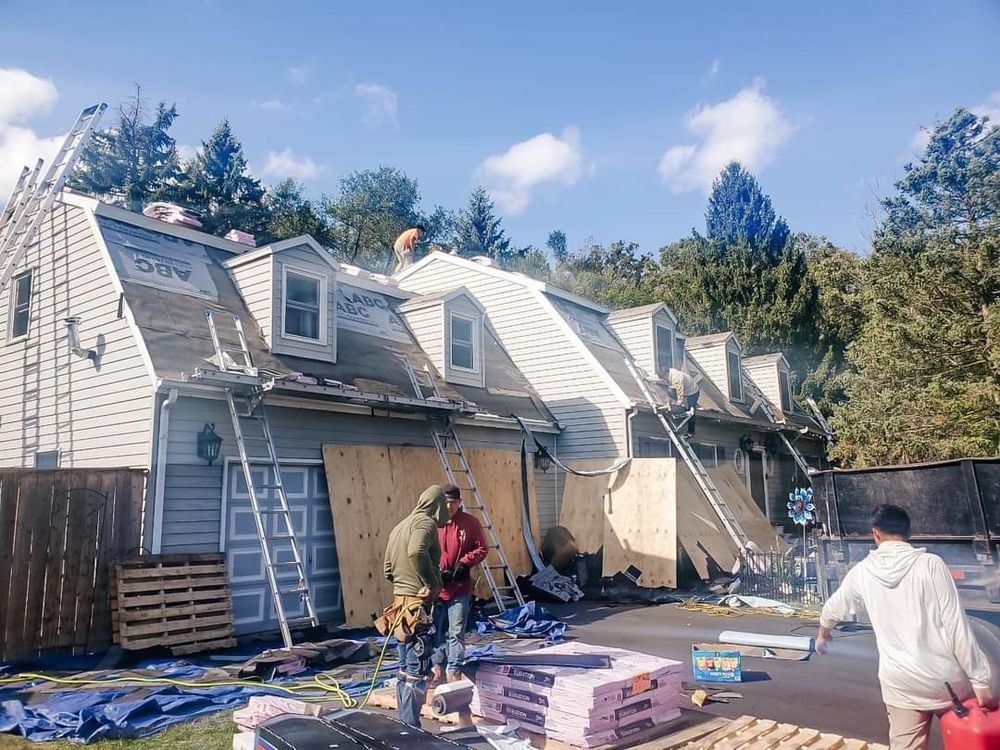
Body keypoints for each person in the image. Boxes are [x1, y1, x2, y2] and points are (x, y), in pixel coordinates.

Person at [817, 504, 994, 750]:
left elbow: (832, 609)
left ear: (875, 532)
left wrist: (822, 635)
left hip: (901, 685)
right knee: (968, 740)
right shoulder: (931, 565)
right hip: (946, 682)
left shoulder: (862, 572)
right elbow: (956, 625)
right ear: (908, 532)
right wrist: (980, 679)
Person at [382, 485, 449, 728]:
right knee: (416, 669)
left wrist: (403, 586)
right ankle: (410, 730)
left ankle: (405, 723)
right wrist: (430, 583)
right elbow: (416, 551)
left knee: (404, 667)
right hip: (418, 607)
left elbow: (388, 570)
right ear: (437, 505)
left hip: (400, 607)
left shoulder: (399, 526)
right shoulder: (425, 524)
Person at [432, 484, 488, 683]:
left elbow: (482, 548)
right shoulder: (433, 523)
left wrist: (465, 563)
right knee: (435, 629)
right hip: (436, 588)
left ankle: (453, 668)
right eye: (445, 502)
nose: (449, 506)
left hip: (460, 587)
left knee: (456, 631)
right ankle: (437, 665)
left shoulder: (470, 523)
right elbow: (421, 551)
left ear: (459, 503)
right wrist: (437, 573)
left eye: (453, 502)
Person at [665, 366, 699, 434]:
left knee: (691, 412)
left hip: (692, 393)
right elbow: (659, 378)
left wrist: (679, 401)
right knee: (670, 391)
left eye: (664, 378)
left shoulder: (676, 377)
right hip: (685, 391)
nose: (665, 380)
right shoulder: (670, 375)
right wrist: (649, 379)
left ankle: (690, 431)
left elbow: (680, 390)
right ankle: (680, 415)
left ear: (667, 374)